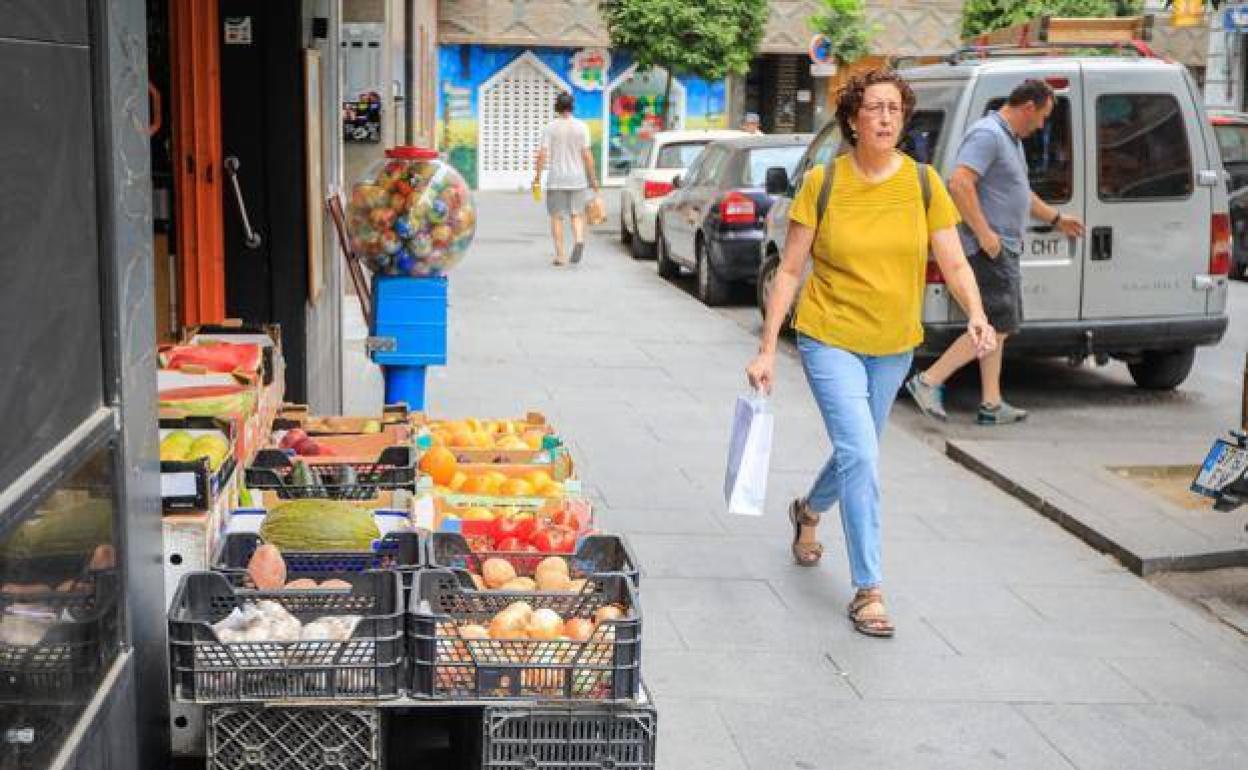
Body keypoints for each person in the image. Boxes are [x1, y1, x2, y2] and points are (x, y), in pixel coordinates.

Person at [745, 69, 996, 638]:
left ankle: (807, 511)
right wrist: (765, 349)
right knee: (861, 451)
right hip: (829, 334)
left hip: (893, 343)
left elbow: (955, 262)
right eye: (875, 108)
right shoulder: (823, 183)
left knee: (857, 452)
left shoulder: (925, 184)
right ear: (853, 119)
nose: (885, 118)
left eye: (895, 109)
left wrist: (977, 314)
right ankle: (869, 588)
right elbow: (789, 270)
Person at [906, 79, 1085, 424]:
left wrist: (1057, 218)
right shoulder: (988, 134)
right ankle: (928, 380)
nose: (1041, 125)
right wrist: (985, 233)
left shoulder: (1009, 140)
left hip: (1000, 246)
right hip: (989, 248)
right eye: (1043, 116)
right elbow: (959, 183)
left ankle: (991, 403)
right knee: (997, 326)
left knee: (994, 325)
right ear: (1028, 107)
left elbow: (1021, 193)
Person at [533, 92, 600, 266]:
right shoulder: (582, 127)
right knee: (577, 214)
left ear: (557, 107)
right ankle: (578, 239)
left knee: (557, 217)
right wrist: (593, 179)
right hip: (578, 179)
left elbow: (542, 154)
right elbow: (587, 155)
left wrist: (537, 178)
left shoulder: (550, 128)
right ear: (572, 106)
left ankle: (561, 255)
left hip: (556, 179)